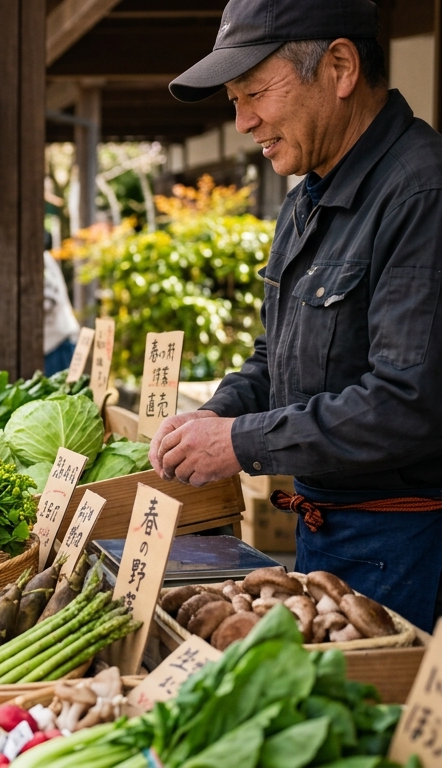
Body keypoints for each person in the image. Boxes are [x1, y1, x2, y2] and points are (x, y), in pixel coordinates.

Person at [151, 0, 442, 630]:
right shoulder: (305, 199)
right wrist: (217, 414)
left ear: (340, 67)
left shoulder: (422, 192)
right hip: (324, 536)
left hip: (406, 545)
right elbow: (275, 355)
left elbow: (406, 401)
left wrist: (241, 442)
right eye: (234, 101)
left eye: (255, 93)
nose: (243, 121)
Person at [42, 232, 81, 375]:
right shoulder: (44, 259)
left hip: (57, 342)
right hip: (54, 341)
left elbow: (49, 301)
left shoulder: (40, 260)